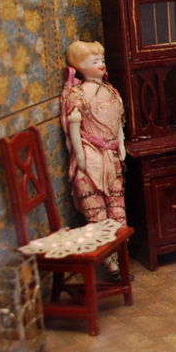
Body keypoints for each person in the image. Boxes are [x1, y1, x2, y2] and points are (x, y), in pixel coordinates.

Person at [60, 40, 126, 276]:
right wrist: (80, 155)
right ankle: (111, 263)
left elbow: (118, 122)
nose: (101, 64)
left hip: (111, 157)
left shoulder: (111, 91)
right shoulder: (77, 94)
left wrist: (121, 143)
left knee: (117, 208)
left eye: (102, 60)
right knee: (96, 211)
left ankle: (121, 257)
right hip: (90, 158)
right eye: (94, 61)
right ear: (79, 65)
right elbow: (74, 127)